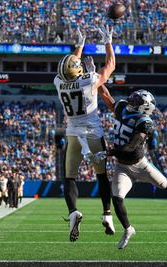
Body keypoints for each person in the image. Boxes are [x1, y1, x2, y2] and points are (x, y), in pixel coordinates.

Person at [92, 88, 167, 249]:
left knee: (164, 185)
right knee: (117, 199)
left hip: (141, 166)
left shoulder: (144, 122)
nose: (131, 100)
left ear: (144, 107)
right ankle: (128, 229)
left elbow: (130, 147)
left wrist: (108, 152)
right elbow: (107, 97)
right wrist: (98, 82)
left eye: (136, 100)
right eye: (133, 98)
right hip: (122, 167)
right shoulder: (122, 108)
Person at [53, 25, 116, 242]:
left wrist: (78, 47)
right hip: (94, 134)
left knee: (69, 177)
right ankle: (107, 214)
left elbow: (72, 66)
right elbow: (110, 66)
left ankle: (73, 213)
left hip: (73, 134)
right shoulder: (90, 80)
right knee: (101, 175)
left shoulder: (59, 83)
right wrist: (108, 42)